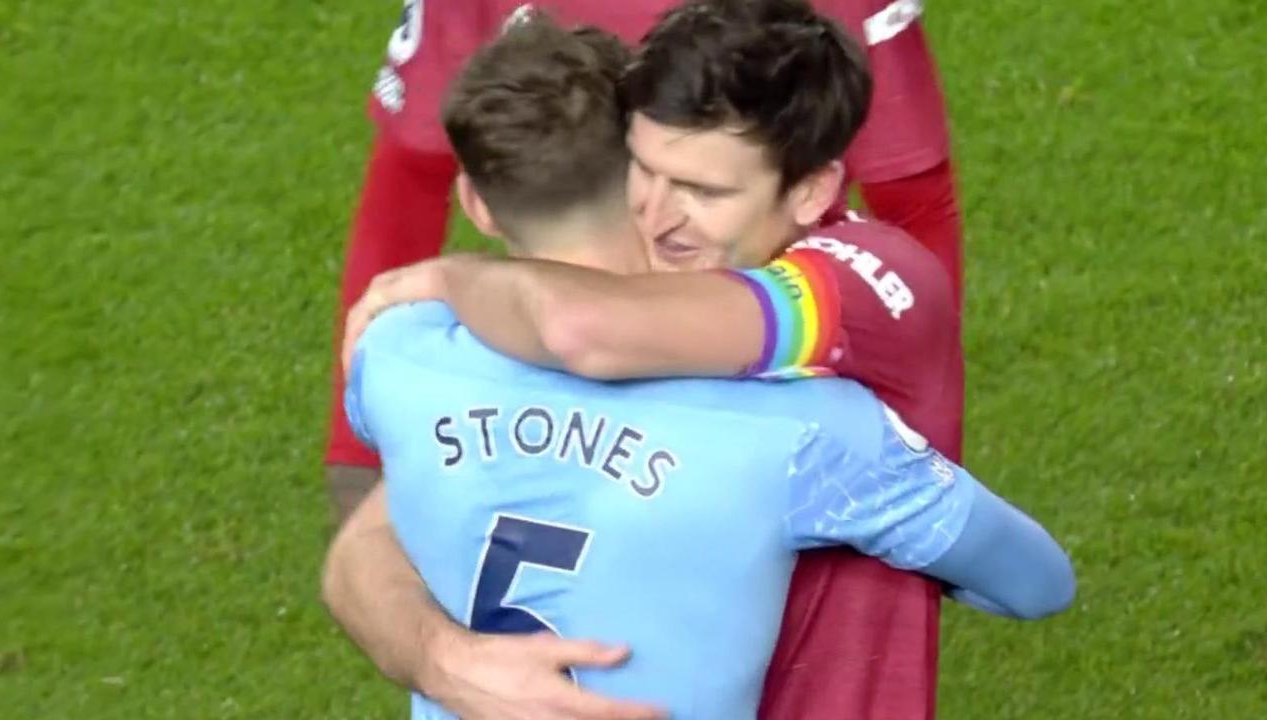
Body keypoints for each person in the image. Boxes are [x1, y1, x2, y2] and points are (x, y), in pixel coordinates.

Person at [325, 3, 1056, 719]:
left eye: (704, 191)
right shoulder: (549, 335)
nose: (658, 216)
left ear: (810, 190)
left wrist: (448, 278)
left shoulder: (864, 281)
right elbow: (362, 552)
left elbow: (584, 329)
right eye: (643, 172)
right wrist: (443, 660)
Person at [327, 0, 964, 522]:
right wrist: (359, 449)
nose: (659, 210)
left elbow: (914, 200)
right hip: (567, 398)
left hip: (784, 368)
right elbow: (408, 180)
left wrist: (923, 445)